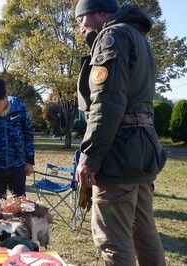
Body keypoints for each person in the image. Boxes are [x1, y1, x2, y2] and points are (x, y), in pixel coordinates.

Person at [74, 0, 167, 265]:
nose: (81, 27)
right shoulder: (137, 36)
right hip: (140, 150)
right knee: (143, 231)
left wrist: (90, 158)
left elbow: (107, 102)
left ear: (101, 13)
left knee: (112, 238)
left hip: (119, 154)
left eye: (82, 19)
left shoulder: (111, 36)